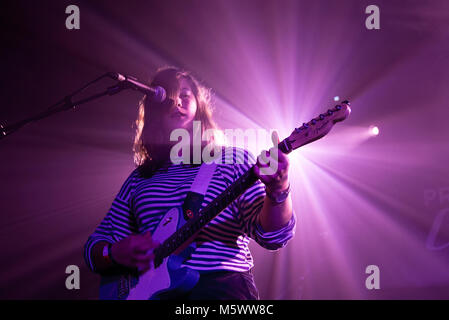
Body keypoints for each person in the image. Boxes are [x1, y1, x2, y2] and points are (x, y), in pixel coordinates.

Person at [84, 66, 296, 300]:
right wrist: (113, 253)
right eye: (168, 95)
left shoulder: (233, 160)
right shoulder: (139, 179)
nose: (176, 102)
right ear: (154, 109)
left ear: (199, 106)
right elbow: (94, 248)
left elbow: (273, 236)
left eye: (185, 95)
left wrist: (278, 190)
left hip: (221, 290)